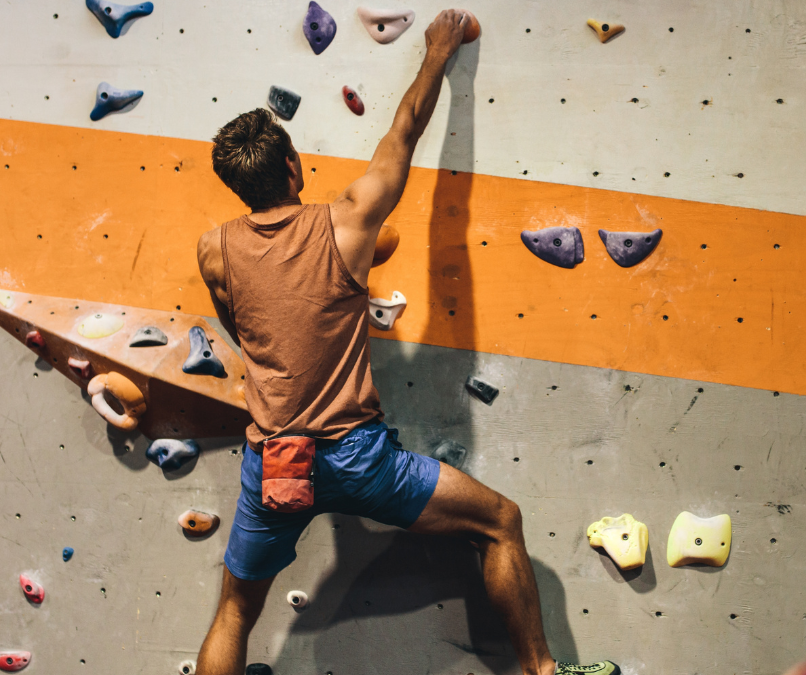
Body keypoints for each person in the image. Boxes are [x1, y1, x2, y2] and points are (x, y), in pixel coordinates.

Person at [194, 10, 619, 675]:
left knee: (235, 611)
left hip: (275, 463)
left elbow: (240, 326)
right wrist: (438, 52)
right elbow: (403, 132)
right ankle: (542, 671)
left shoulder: (215, 248)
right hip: (359, 459)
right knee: (500, 520)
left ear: (237, 184)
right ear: (291, 166)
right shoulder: (348, 221)